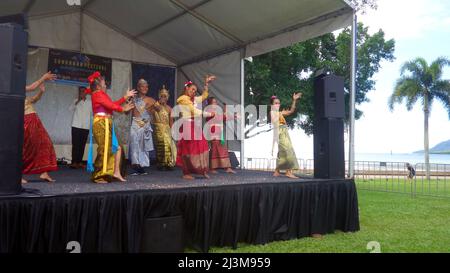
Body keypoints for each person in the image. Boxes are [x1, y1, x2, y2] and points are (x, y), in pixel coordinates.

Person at [86, 71, 136, 183]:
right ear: (98, 86)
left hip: (107, 122)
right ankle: (99, 176)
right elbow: (111, 106)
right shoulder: (97, 94)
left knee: (116, 147)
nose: (105, 85)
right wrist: (123, 109)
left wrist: (125, 97)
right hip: (101, 122)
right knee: (105, 148)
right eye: (104, 83)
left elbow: (112, 104)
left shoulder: (103, 95)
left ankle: (116, 172)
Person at [176, 76, 216, 180]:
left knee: (202, 146)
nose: (194, 92)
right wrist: (208, 113)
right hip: (187, 126)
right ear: (186, 88)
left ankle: (201, 170)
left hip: (194, 126)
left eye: (195, 90)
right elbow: (194, 111)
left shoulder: (192, 99)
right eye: (192, 89)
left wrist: (206, 84)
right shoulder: (183, 99)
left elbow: (203, 96)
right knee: (187, 149)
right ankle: (186, 172)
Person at [22, 71, 58, 183]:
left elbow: (33, 100)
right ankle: (17, 175)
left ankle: (44, 172)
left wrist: (41, 92)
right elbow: (32, 87)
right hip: (27, 122)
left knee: (45, 143)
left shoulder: (22, 94)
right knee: (27, 149)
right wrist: (44, 77)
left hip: (35, 121)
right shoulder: (14, 87)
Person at [271, 93, 302, 179]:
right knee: (288, 149)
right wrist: (280, 113)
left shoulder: (280, 112)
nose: (278, 104)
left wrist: (294, 100)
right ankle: (288, 172)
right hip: (279, 131)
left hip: (284, 131)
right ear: (272, 104)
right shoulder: (273, 112)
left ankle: (277, 171)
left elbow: (291, 111)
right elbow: (274, 120)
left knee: (282, 150)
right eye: (276, 103)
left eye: (278, 103)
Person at [129, 79, 155, 176]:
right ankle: (136, 166)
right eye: (143, 86)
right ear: (138, 87)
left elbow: (156, 111)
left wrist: (151, 108)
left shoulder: (151, 100)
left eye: (146, 86)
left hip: (144, 123)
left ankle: (142, 167)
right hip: (135, 123)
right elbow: (127, 111)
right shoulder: (133, 99)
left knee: (142, 146)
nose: (145, 88)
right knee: (134, 145)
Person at [206, 97, 237, 174]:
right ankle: (213, 168)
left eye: (216, 102)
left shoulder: (216, 112)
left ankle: (227, 167)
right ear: (210, 104)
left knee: (222, 149)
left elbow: (223, 117)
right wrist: (227, 113)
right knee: (214, 150)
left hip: (219, 132)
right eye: (213, 102)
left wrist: (232, 116)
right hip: (213, 132)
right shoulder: (209, 111)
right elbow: (220, 117)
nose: (215, 104)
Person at [152, 85, 176, 170]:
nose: (163, 98)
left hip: (167, 128)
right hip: (158, 128)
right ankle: (161, 163)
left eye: (165, 96)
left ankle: (168, 163)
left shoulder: (169, 108)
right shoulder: (156, 105)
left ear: (168, 97)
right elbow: (155, 111)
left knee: (168, 145)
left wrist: (172, 131)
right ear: (159, 96)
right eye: (161, 96)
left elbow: (171, 121)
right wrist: (158, 105)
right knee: (160, 145)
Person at [69, 86, 92, 169]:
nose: (82, 93)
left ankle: (79, 162)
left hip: (85, 126)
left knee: (82, 145)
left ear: (86, 92)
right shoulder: (75, 101)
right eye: (80, 91)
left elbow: (93, 113)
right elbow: (70, 109)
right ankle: (74, 162)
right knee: (75, 144)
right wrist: (78, 100)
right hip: (76, 125)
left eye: (83, 91)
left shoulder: (90, 102)